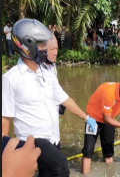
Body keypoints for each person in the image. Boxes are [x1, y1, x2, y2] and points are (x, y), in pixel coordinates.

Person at [2, 18, 97, 176]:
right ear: (27, 46)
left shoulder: (47, 73)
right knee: (61, 169)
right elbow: (5, 119)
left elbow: (64, 99)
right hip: (33, 143)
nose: (46, 49)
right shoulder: (11, 79)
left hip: (54, 139)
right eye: (42, 45)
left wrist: (86, 117)